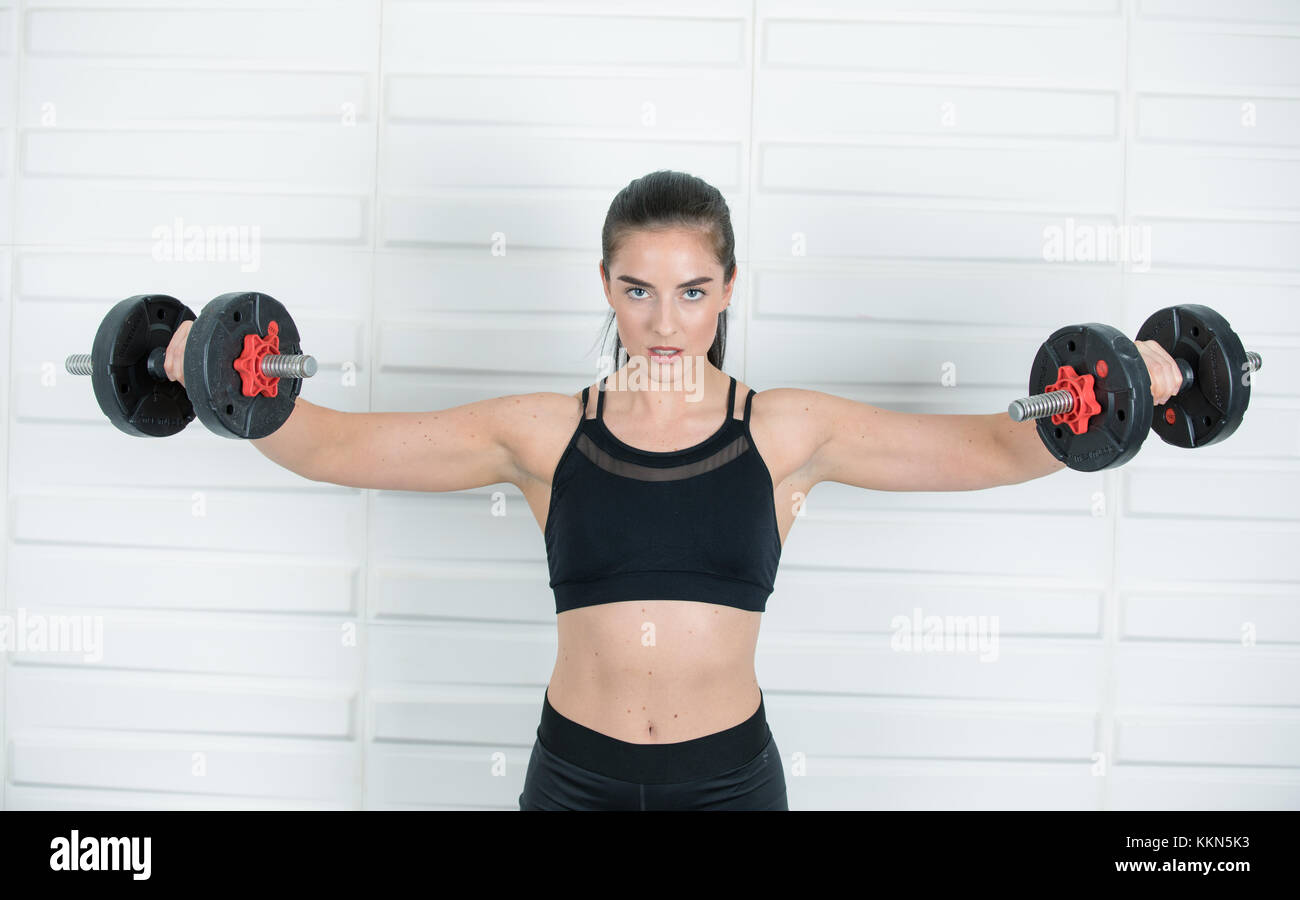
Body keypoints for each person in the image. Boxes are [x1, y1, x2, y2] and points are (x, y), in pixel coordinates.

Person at [162, 169, 1187, 810]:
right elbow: (327, 443)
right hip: (573, 780)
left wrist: (1131, 382)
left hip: (728, 783)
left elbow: (1003, 447)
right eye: (638, 289)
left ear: (728, 289)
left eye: (692, 291)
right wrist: (200, 364)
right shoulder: (545, 431)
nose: (664, 319)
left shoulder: (786, 430)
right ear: (605, 285)